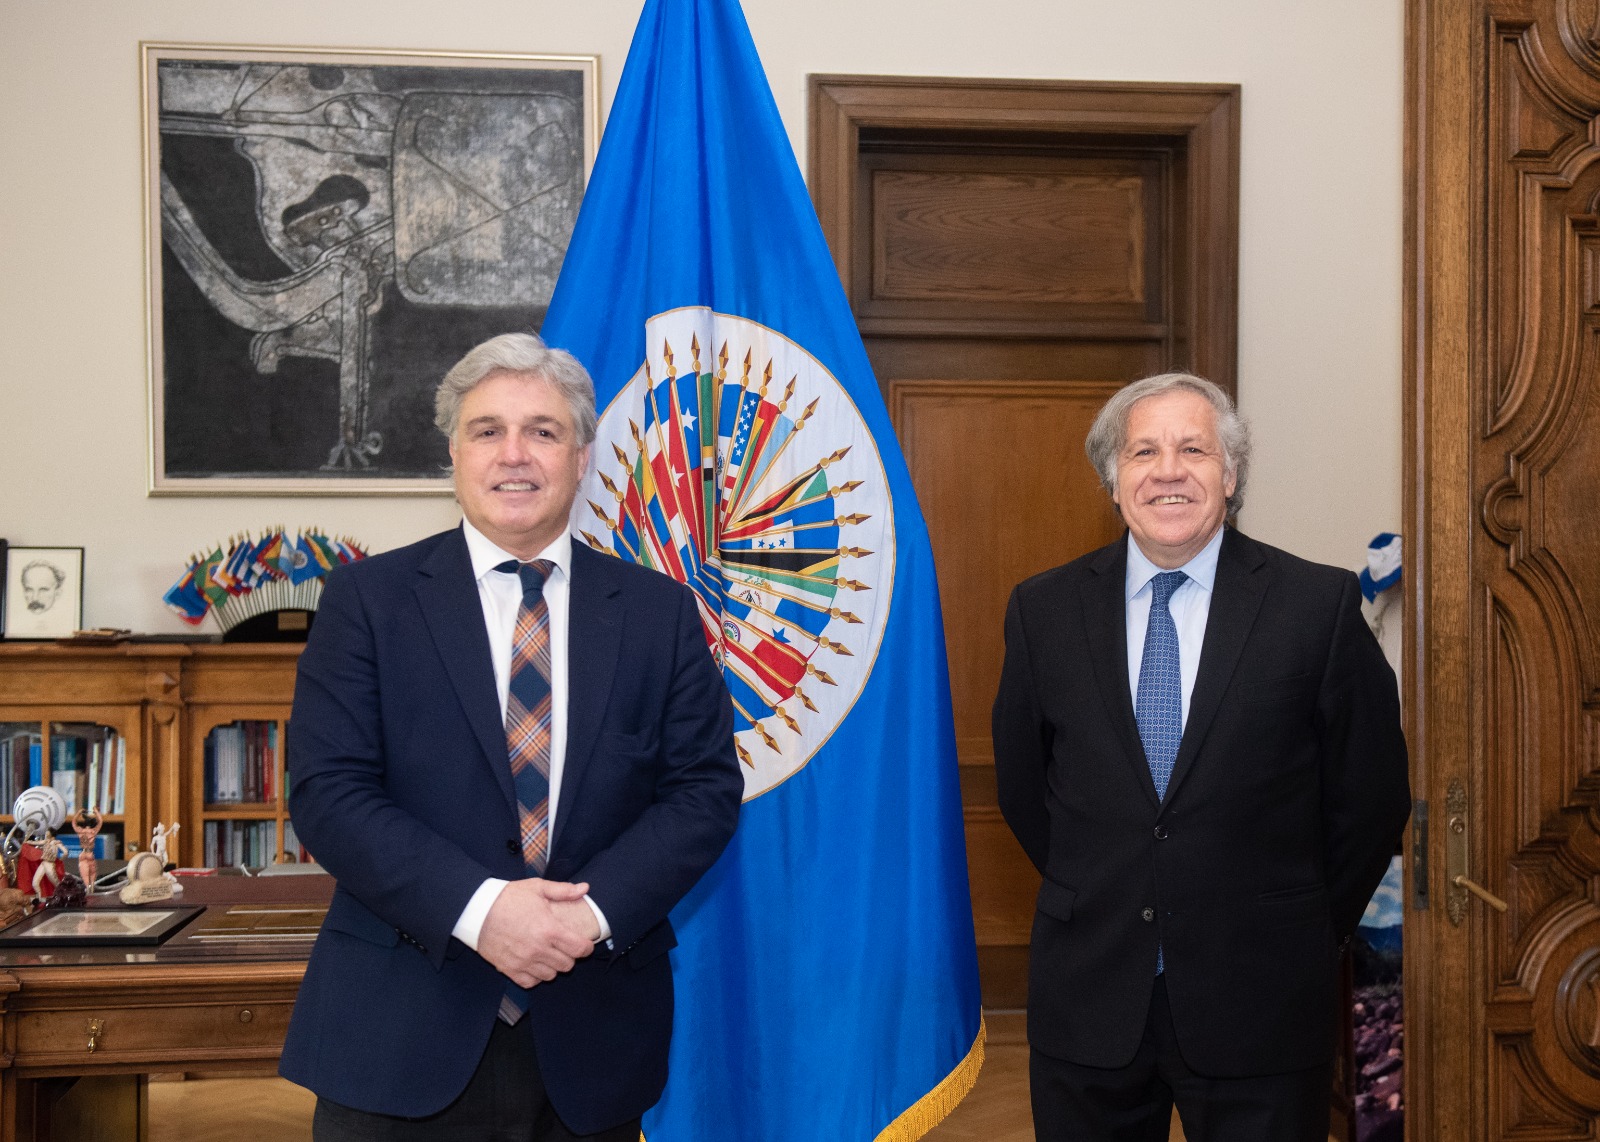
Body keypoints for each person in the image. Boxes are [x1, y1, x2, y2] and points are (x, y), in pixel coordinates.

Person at [280, 333, 742, 1141]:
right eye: (487, 430)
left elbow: (703, 794)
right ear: (453, 453)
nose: (514, 455)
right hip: (397, 1030)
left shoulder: (658, 612)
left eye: (543, 431)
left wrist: (583, 919)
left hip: (591, 1033)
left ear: (584, 454)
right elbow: (331, 793)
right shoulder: (368, 601)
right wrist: (483, 909)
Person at [992, 373, 1410, 1141]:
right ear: (1111, 478)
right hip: (1091, 995)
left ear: (1232, 473)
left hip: (1263, 997)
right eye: (1143, 451)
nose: (1169, 470)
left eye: (1194, 448)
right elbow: (1026, 787)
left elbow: (1373, 793)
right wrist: (1106, 883)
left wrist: (1307, 925)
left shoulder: (1314, 608)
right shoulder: (1043, 610)